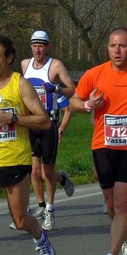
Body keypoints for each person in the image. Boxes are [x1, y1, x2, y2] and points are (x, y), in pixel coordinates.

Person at [70, 27, 127, 255]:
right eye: (113, 45)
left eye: (122, 45)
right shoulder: (95, 74)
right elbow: (73, 101)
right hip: (103, 145)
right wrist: (88, 105)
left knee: (123, 205)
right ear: (108, 48)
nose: (117, 50)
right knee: (111, 206)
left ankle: (112, 252)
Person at [0, 34, 55, 254]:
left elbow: (44, 120)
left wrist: (13, 118)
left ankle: (41, 239)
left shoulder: (19, 84)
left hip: (14, 159)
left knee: (21, 220)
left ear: (10, 57)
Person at [21, 30, 76, 231]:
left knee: (47, 170)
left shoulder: (55, 65)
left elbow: (72, 88)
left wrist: (57, 89)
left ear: (48, 47)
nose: (37, 49)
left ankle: (51, 210)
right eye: (34, 45)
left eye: (41, 45)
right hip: (31, 123)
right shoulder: (25, 65)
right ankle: (42, 207)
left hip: (49, 124)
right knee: (34, 170)